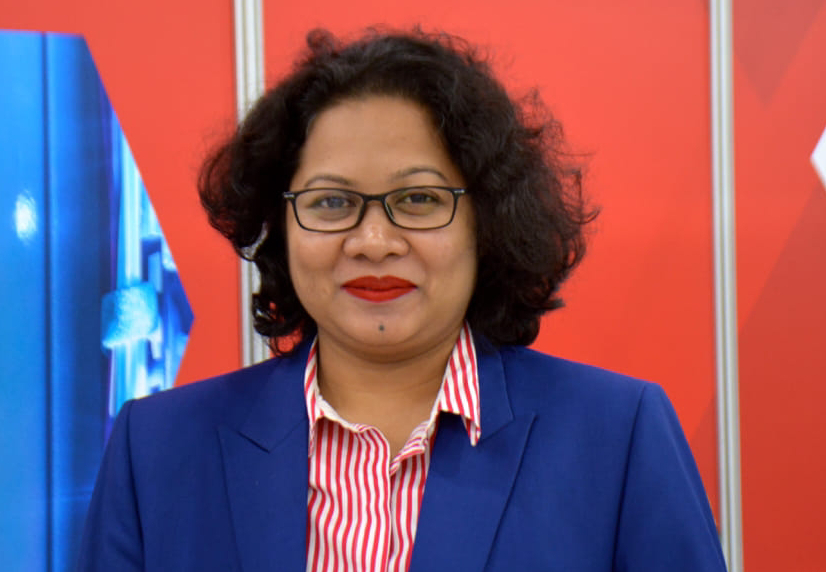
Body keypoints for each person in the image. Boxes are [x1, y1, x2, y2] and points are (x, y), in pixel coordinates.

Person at [77, 28, 727, 572]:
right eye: (332, 202)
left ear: (486, 221)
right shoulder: (156, 451)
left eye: (418, 199)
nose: (374, 242)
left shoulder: (617, 436)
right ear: (281, 226)